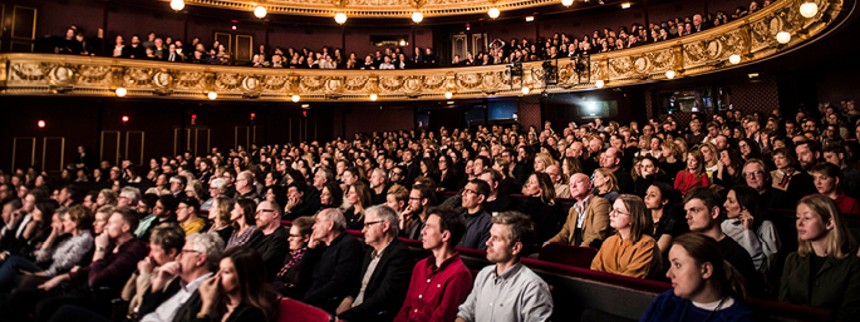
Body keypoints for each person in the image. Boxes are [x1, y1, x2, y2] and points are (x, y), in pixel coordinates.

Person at [456, 211, 553, 322]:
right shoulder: (484, 274)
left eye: (496, 238)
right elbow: (466, 313)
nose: (488, 242)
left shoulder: (533, 287)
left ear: (516, 248)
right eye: (490, 236)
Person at [779, 194, 860, 321]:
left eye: (807, 218)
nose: (799, 223)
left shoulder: (853, 265)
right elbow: (783, 306)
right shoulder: (792, 260)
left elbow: (849, 313)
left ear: (829, 223)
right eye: (798, 217)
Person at [640, 233, 753, 322]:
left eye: (678, 265)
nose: (669, 274)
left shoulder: (739, 318)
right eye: (671, 265)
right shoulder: (667, 300)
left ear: (706, 270)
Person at [395, 207, 473, 322]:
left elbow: (443, 318)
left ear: (445, 235)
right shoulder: (420, 266)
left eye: (429, 227)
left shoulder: (460, 274)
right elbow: (406, 307)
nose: (422, 232)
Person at [337, 205, 413, 321]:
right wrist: (349, 298)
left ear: (385, 226)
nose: (363, 230)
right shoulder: (370, 251)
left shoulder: (400, 254)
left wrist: (349, 315)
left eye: (368, 225)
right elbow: (359, 283)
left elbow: (384, 297)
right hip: (356, 308)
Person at [683, 187, 761, 296]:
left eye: (695, 210)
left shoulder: (737, 255)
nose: (688, 216)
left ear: (714, 212)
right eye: (686, 211)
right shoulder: (686, 248)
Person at [303, 208, 364, 313]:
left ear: (330, 225)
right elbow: (302, 275)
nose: (313, 227)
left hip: (327, 301)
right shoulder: (320, 245)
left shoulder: (349, 245)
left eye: (317, 222)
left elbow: (339, 282)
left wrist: (307, 301)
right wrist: (310, 250)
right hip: (311, 294)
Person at [121, 223, 185, 320]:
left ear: (172, 252)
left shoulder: (174, 279)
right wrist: (137, 274)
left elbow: (143, 307)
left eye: (155, 250)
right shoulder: (154, 268)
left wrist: (145, 275)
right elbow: (125, 296)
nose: (150, 255)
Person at [195, 247, 277, 322]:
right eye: (218, 270)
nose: (217, 276)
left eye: (226, 272)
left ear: (243, 277)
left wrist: (206, 306)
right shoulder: (218, 304)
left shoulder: (253, 315)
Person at [590, 194, 661, 279]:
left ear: (633, 218)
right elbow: (594, 271)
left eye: (618, 211)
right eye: (612, 209)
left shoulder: (647, 244)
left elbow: (630, 281)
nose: (611, 214)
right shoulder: (609, 241)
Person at [720, 185, 780, 274]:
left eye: (731, 201)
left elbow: (762, 268)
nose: (724, 205)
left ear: (744, 206)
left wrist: (748, 231)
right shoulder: (726, 225)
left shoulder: (766, 227)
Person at [545, 173, 611, 248]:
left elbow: (599, 234)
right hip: (574, 251)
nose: (573, 186)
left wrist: (578, 251)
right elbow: (564, 234)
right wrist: (549, 243)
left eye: (578, 182)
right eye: (571, 184)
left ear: (589, 186)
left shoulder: (600, 203)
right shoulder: (573, 209)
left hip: (589, 253)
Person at [273, 216, 318, 298]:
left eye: (293, 236)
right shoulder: (290, 254)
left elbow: (295, 285)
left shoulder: (308, 259)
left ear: (306, 238)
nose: (289, 239)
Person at [248, 201, 289, 282]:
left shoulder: (281, 237)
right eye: (256, 213)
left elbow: (264, 263)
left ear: (275, 214)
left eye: (261, 212)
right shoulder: (257, 234)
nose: (256, 217)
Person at [644, 182, 686, 256]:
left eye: (652, 195)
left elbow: (658, 250)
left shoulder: (672, 219)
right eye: (646, 194)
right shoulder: (644, 215)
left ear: (664, 201)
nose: (647, 197)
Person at [457, 179, 492, 250]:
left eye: (469, 191)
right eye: (464, 190)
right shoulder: (457, 216)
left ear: (480, 198)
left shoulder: (488, 223)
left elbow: (480, 254)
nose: (463, 194)